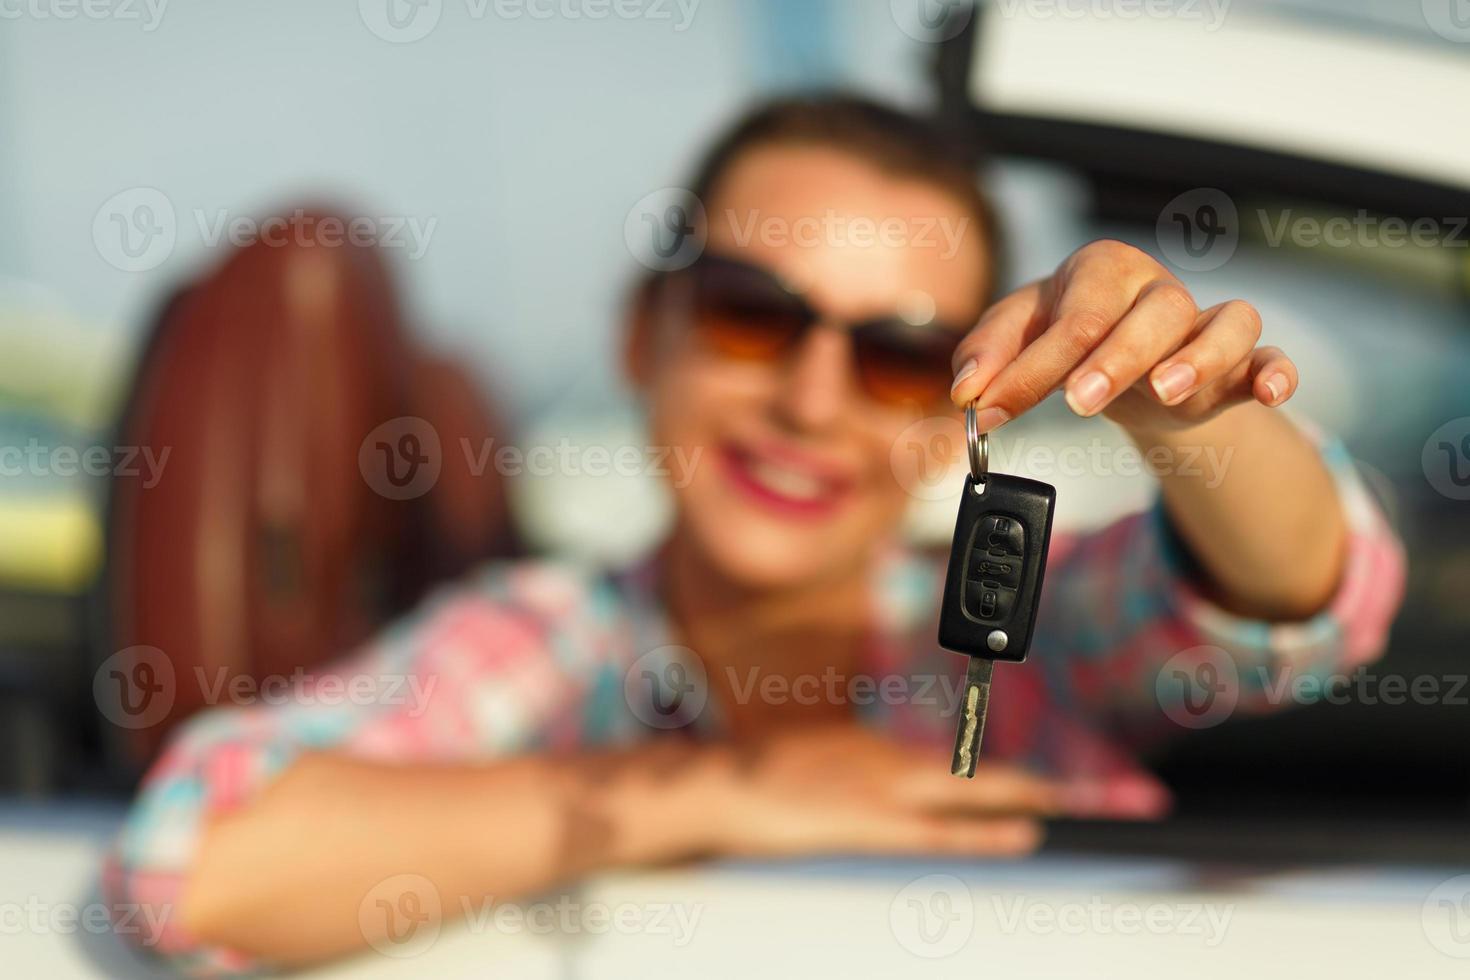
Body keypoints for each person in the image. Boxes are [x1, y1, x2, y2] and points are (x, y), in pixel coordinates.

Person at [107, 95, 1404, 974]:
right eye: (749, 314)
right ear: (642, 338)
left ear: (969, 404)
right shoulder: (544, 647)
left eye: (900, 355)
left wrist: (1180, 398)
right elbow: (194, 860)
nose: (809, 398)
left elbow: (1295, 605)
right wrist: (732, 794)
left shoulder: (1023, 637)